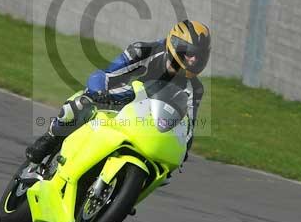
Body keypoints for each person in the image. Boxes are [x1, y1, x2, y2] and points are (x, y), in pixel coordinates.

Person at [25, 20, 212, 165]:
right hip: (117, 101)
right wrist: (97, 94)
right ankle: (50, 138)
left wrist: (182, 151)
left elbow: (188, 128)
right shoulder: (143, 51)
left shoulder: (195, 89)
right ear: (175, 45)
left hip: (149, 126)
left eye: (200, 56)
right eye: (190, 53)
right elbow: (104, 74)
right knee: (80, 103)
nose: (194, 60)